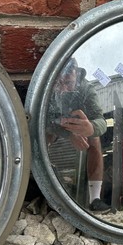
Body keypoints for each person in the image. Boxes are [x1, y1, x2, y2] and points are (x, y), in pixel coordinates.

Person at [46, 57, 111, 212]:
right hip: (54, 123)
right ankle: (41, 177)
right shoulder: (46, 87)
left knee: (94, 139)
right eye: (58, 83)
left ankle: (95, 198)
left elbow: (100, 120)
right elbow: (42, 120)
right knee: (42, 135)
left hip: (78, 122)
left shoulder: (87, 89)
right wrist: (69, 134)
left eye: (68, 83)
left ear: (77, 75)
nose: (63, 89)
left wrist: (91, 128)